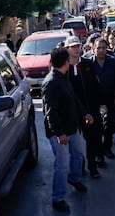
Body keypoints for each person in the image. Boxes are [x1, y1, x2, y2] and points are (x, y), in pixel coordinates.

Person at [42, 47, 93, 213]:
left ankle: (75, 178)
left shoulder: (65, 77)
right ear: (65, 62)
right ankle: (58, 198)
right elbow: (51, 112)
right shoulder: (51, 83)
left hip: (72, 128)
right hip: (60, 134)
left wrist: (84, 113)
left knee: (78, 155)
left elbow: (73, 98)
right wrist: (59, 134)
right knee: (62, 166)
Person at [65, 36, 104, 178]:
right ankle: (78, 168)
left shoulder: (87, 64)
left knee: (92, 138)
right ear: (67, 49)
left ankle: (92, 167)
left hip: (89, 108)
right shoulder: (64, 67)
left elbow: (95, 85)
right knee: (74, 143)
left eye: (77, 46)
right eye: (73, 47)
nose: (76, 49)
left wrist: (100, 104)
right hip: (72, 111)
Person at [91, 38, 115, 159]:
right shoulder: (89, 64)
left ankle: (107, 149)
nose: (101, 50)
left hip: (111, 98)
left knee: (110, 125)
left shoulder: (113, 62)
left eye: (103, 48)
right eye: (98, 48)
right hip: (95, 100)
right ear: (94, 49)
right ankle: (98, 153)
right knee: (97, 127)